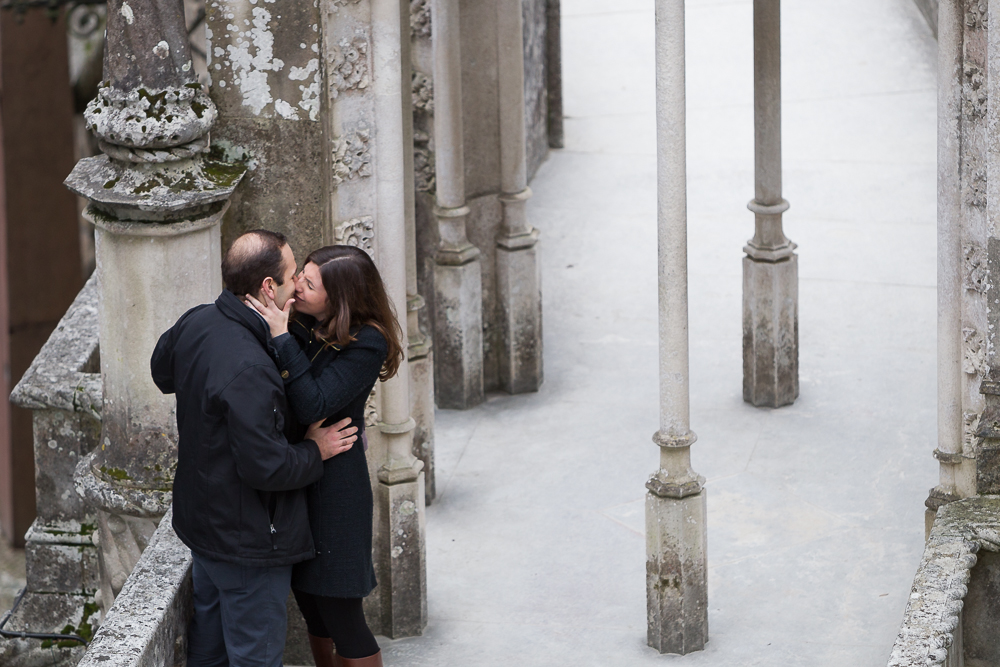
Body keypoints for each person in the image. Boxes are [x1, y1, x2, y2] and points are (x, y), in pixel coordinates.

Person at [150, 230, 359, 667]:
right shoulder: (251, 367)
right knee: (254, 658)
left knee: (209, 652)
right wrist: (316, 450)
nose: (298, 283)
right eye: (292, 274)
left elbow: (162, 371)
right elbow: (267, 467)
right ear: (268, 288)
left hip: (203, 528)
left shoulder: (198, 320)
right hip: (247, 542)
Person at [247, 245, 404, 667]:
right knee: (310, 601)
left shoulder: (366, 342)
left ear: (340, 300)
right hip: (301, 474)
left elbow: (314, 403)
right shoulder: (304, 323)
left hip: (337, 490)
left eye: (309, 283)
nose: (297, 284)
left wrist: (281, 335)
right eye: (302, 275)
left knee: (340, 610)